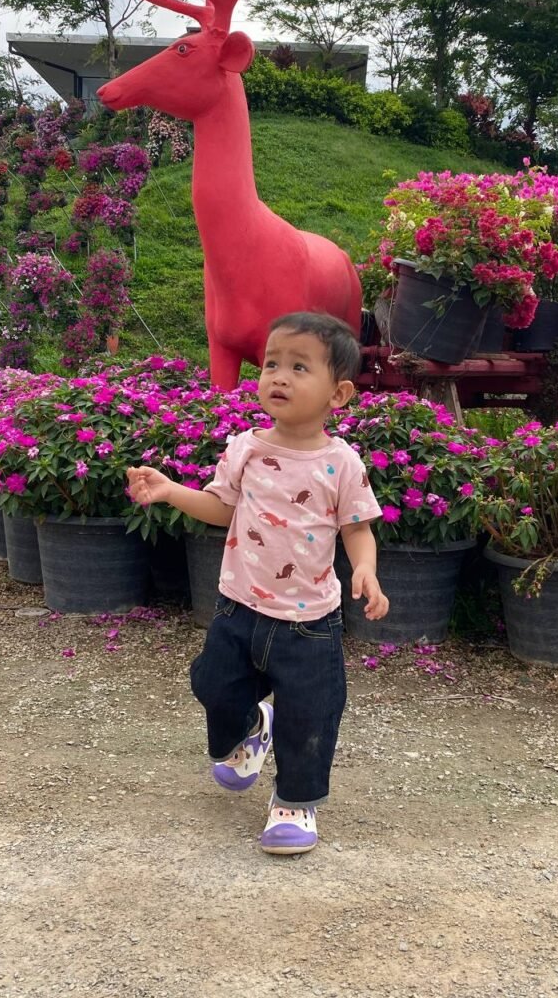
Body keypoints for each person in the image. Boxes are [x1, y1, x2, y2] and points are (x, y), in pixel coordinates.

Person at [127, 312, 389, 855]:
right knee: (212, 686)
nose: (278, 376)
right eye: (271, 363)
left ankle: (294, 801)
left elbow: (357, 529)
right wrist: (172, 490)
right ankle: (251, 727)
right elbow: (222, 509)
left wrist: (365, 567)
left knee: (310, 716)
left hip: (310, 625)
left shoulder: (341, 463)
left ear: (337, 394)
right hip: (237, 608)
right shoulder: (245, 448)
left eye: (299, 366)